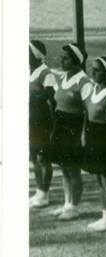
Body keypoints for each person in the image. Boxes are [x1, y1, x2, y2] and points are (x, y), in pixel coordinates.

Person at [47, 42, 90, 220]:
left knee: (73, 170)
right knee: (64, 167)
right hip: (61, 125)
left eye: (65, 59)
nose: (61, 61)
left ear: (76, 62)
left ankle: (74, 206)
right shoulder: (63, 78)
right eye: (61, 58)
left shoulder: (84, 82)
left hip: (75, 127)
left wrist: (83, 134)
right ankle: (67, 203)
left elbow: (89, 111)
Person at [81, 56, 106, 232]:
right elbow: (86, 115)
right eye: (92, 68)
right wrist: (84, 135)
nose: (93, 71)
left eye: (97, 69)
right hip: (92, 137)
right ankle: (105, 217)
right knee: (99, 180)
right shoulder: (92, 89)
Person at [29, 40, 55, 209]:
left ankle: (44, 194)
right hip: (30, 119)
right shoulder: (28, 72)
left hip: (42, 120)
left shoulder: (47, 74)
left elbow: (52, 102)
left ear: (36, 55)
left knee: (42, 157)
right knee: (32, 157)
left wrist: (54, 126)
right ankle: (38, 191)